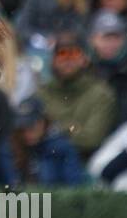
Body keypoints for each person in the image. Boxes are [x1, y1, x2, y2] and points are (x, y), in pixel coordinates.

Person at [38, 28, 117, 159]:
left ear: (85, 59)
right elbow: (32, 136)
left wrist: (55, 130)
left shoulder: (101, 94)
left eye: (74, 54)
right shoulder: (42, 93)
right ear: (53, 60)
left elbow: (93, 139)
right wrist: (73, 129)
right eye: (62, 53)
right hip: (45, 159)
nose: (68, 60)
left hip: (86, 161)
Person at [0, 95, 84, 187]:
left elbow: (74, 187)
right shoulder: (10, 147)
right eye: (22, 128)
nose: (27, 133)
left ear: (43, 122)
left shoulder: (62, 148)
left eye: (32, 126)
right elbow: (10, 185)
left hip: (55, 200)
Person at [88, 10, 127, 126]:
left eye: (116, 38)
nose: (111, 43)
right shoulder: (83, 68)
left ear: (124, 39)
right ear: (93, 39)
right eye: (105, 38)